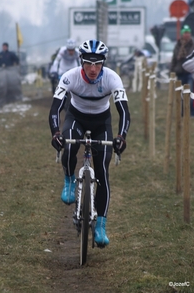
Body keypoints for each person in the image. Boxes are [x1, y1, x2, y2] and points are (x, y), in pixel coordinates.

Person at [49, 39, 130, 247]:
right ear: (80, 61)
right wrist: (56, 133)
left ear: (104, 63)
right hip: (76, 117)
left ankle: (101, 225)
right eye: (88, 64)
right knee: (69, 144)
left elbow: (124, 112)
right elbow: (55, 109)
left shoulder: (113, 78)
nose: (93, 69)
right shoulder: (70, 77)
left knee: (102, 170)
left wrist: (121, 136)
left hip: (102, 123)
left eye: (98, 64)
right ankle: (68, 179)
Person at [170, 25, 194, 92]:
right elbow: (174, 59)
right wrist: (171, 71)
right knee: (180, 93)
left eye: (188, 33)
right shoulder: (178, 45)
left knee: (190, 93)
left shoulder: (193, 45)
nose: (187, 34)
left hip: (190, 73)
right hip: (180, 72)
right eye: (185, 33)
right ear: (182, 34)